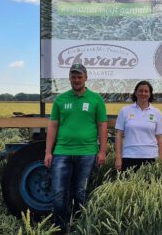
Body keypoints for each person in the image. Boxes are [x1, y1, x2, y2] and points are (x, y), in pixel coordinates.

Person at [44, 63, 108, 234]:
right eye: (73, 77)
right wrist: (48, 152)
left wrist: (102, 151)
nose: (76, 80)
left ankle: (79, 228)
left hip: (87, 153)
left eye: (80, 77)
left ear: (86, 78)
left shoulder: (96, 99)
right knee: (59, 194)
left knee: (81, 193)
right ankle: (60, 229)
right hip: (61, 153)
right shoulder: (60, 99)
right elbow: (53, 127)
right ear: (69, 79)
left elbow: (102, 126)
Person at [115, 80, 162, 172]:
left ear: (150, 94)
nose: (143, 93)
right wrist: (118, 158)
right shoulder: (124, 111)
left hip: (151, 157)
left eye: (146, 91)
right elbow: (118, 135)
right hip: (129, 156)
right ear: (136, 93)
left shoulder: (157, 112)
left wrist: (161, 158)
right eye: (140, 91)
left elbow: (160, 138)